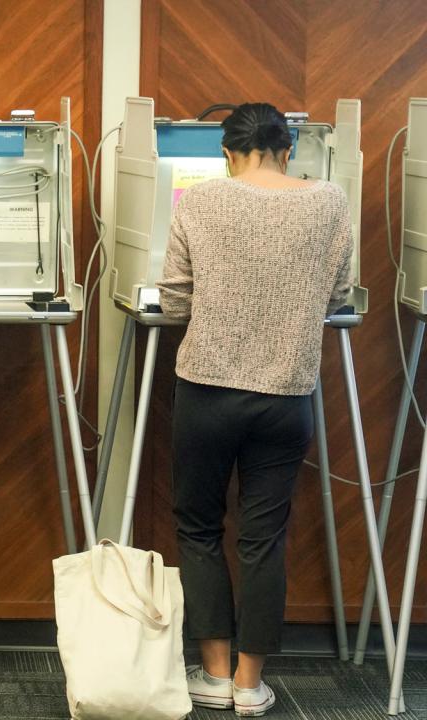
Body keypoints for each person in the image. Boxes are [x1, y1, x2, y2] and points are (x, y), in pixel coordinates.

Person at [158, 102, 353, 717]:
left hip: (207, 392)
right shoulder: (328, 201)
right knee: (264, 539)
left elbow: (173, 300)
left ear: (226, 151)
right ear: (287, 149)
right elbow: (340, 292)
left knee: (199, 529)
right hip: (286, 395)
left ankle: (212, 675)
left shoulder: (203, 201)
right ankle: (249, 685)